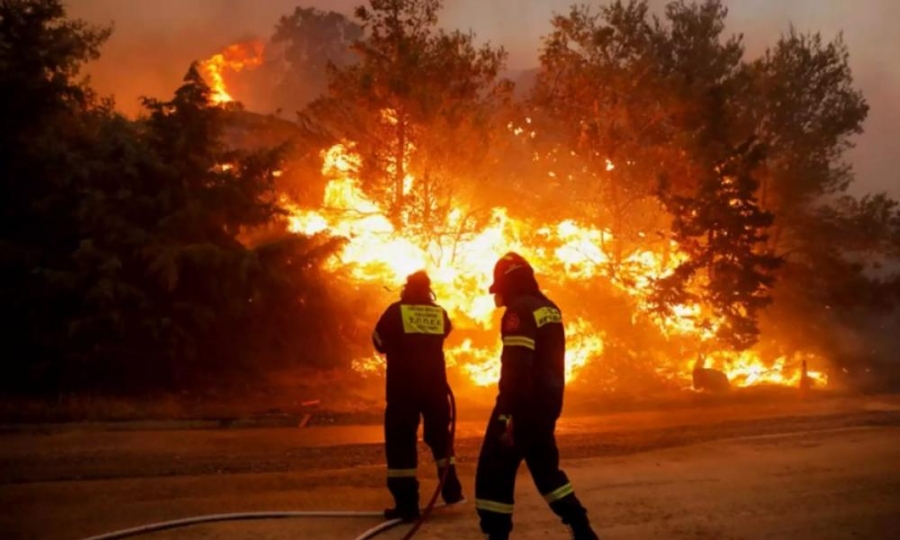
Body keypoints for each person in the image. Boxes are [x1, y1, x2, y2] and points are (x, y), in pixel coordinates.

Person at [475, 253, 599, 540]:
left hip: (521, 406)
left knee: (494, 473)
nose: (499, 297)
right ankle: (581, 527)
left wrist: (507, 414)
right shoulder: (549, 308)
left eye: (500, 288)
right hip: (547, 405)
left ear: (509, 283)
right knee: (546, 470)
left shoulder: (518, 311)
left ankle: (496, 534)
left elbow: (517, 366)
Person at [372, 270, 464, 521]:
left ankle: (407, 505)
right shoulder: (439, 313)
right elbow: (446, 331)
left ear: (406, 288)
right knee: (439, 437)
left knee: (400, 441)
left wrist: (399, 345)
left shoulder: (395, 312)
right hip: (435, 386)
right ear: (428, 289)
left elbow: (378, 341)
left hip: (404, 388)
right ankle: (452, 490)